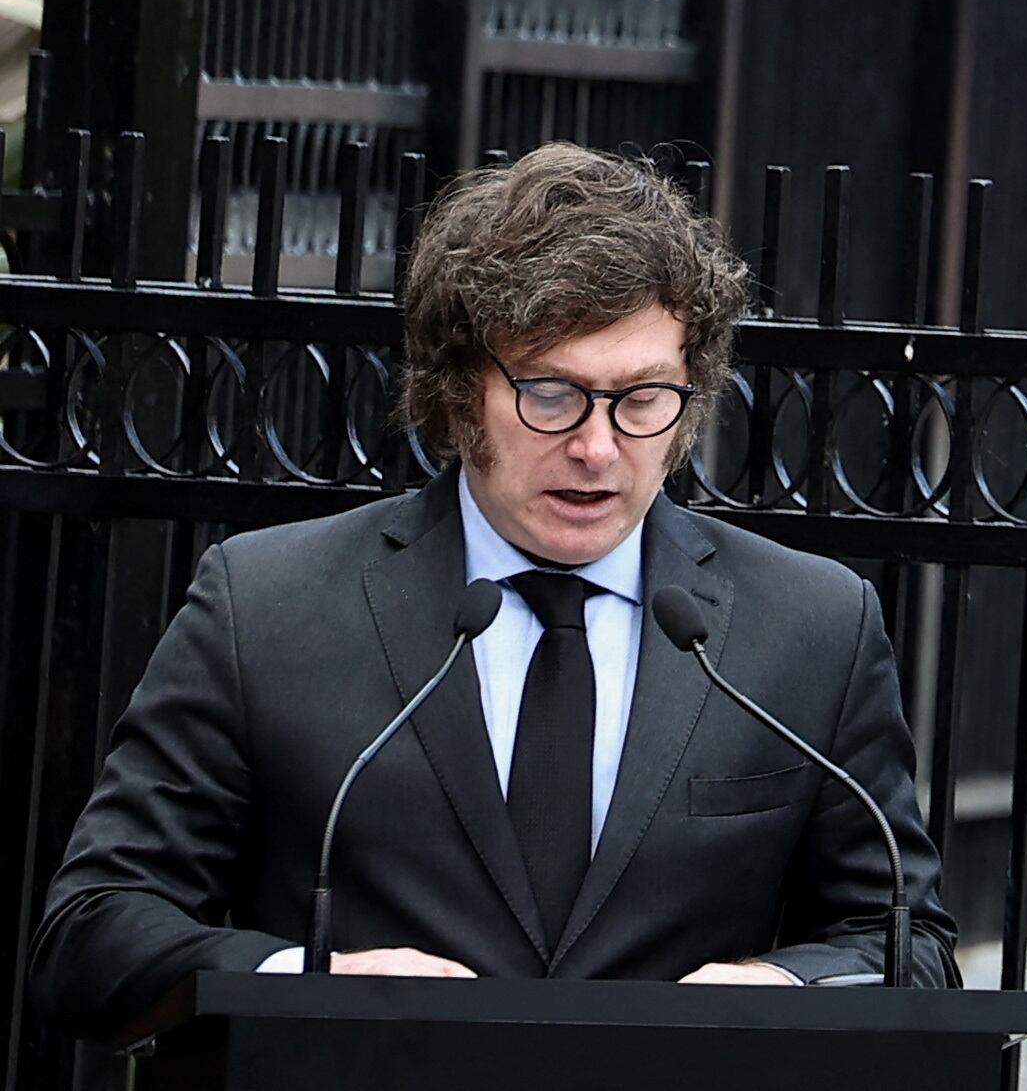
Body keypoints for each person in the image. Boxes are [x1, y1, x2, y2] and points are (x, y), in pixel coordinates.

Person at [32, 146, 941, 1029]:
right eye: (551, 395)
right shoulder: (266, 605)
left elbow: (909, 945)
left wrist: (783, 986)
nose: (596, 445)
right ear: (463, 391)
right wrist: (308, 980)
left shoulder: (812, 624)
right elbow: (96, 931)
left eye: (643, 398)